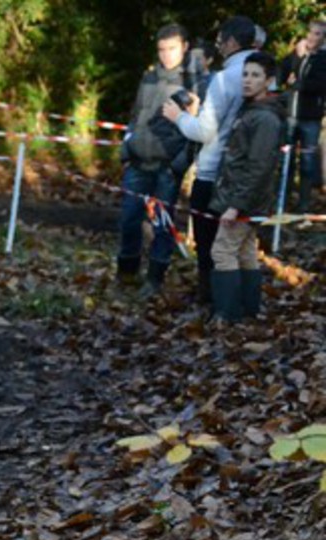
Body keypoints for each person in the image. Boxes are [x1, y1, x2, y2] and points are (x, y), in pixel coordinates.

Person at [163, 16, 257, 309]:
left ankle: (213, 302)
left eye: (220, 41)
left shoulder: (225, 78)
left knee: (208, 243)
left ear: (231, 42)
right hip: (247, 172)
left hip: (214, 170)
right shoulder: (262, 74)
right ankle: (244, 303)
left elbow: (205, 131)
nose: (218, 47)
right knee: (241, 245)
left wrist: (179, 117)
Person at [116, 24, 193, 297]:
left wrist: (178, 165)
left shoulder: (192, 83)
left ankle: (155, 279)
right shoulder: (148, 78)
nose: (166, 55)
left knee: (162, 225)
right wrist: (126, 149)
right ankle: (126, 274)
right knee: (129, 219)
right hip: (138, 161)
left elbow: (195, 131)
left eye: (172, 49)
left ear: (184, 47)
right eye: (161, 49)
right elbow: (135, 115)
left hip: (166, 167)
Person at [209, 52, 285, 322]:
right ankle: (248, 310)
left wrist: (235, 205)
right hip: (244, 197)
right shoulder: (251, 109)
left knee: (222, 251)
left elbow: (258, 167)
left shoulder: (265, 119)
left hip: (245, 200)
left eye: (255, 75)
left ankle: (227, 314)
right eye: (245, 74)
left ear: (269, 81)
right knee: (245, 251)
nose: (247, 80)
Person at [278, 21, 325, 214]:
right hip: (292, 114)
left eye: (318, 34)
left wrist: (299, 84)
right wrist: (296, 56)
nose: (313, 37)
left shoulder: (323, 59)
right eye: (311, 33)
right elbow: (282, 74)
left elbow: (320, 84)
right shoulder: (299, 53)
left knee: (307, 162)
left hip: (310, 117)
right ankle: (283, 200)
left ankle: (304, 203)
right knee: (287, 159)